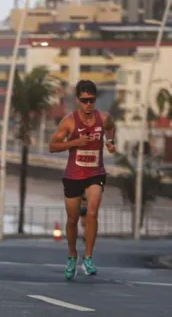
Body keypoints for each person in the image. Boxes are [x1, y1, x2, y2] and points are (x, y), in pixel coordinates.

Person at [49, 79, 115, 280]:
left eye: (92, 100)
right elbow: (52, 146)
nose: (88, 104)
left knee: (93, 213)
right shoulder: (69, 121)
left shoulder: (103, 118)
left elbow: (111, 128)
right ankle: (72, 255)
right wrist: (75, 142)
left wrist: (110, 142)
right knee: (72, 219)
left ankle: (88, 257)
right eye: (85, 100)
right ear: (78, 100)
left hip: (95, 173)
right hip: (73, 175)